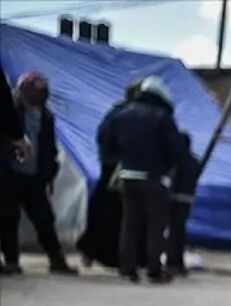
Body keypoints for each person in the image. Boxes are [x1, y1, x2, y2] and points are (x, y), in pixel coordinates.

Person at [104, 77, 185, 284]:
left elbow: (107, 144)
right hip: (154, 178)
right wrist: (166, 168)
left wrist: (121, 161)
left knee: (130, 224)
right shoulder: (162, 116)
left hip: (128, 176)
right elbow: (176, 149)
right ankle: (153, 270)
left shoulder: (122, 114)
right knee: (155, 225)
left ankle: (127, 270)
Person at [0, 71, 77, 276]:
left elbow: (49, 147)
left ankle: (56, 260)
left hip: (34, 175)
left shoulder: (46, 116)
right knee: (8, 218)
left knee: (44, 218)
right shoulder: (11, 111)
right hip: (9, 173)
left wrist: (49, 170)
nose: (41, 95)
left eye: (43, 91)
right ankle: (11, 261)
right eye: (37, 91)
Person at [79, 82, 140, 270]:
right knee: (109, 215)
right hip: (115, 172)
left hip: (114, 170)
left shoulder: (118, 115)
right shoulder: (123, 116)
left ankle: (102, 254)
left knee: (108, 215)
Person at [166, 131, 201, 278]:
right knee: (180, 231)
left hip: (174, 198)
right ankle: (179, 264)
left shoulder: (174, 161)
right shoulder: (195, 161)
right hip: (188, 199)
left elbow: (171, 180)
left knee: (172, 231)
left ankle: (171, 263)